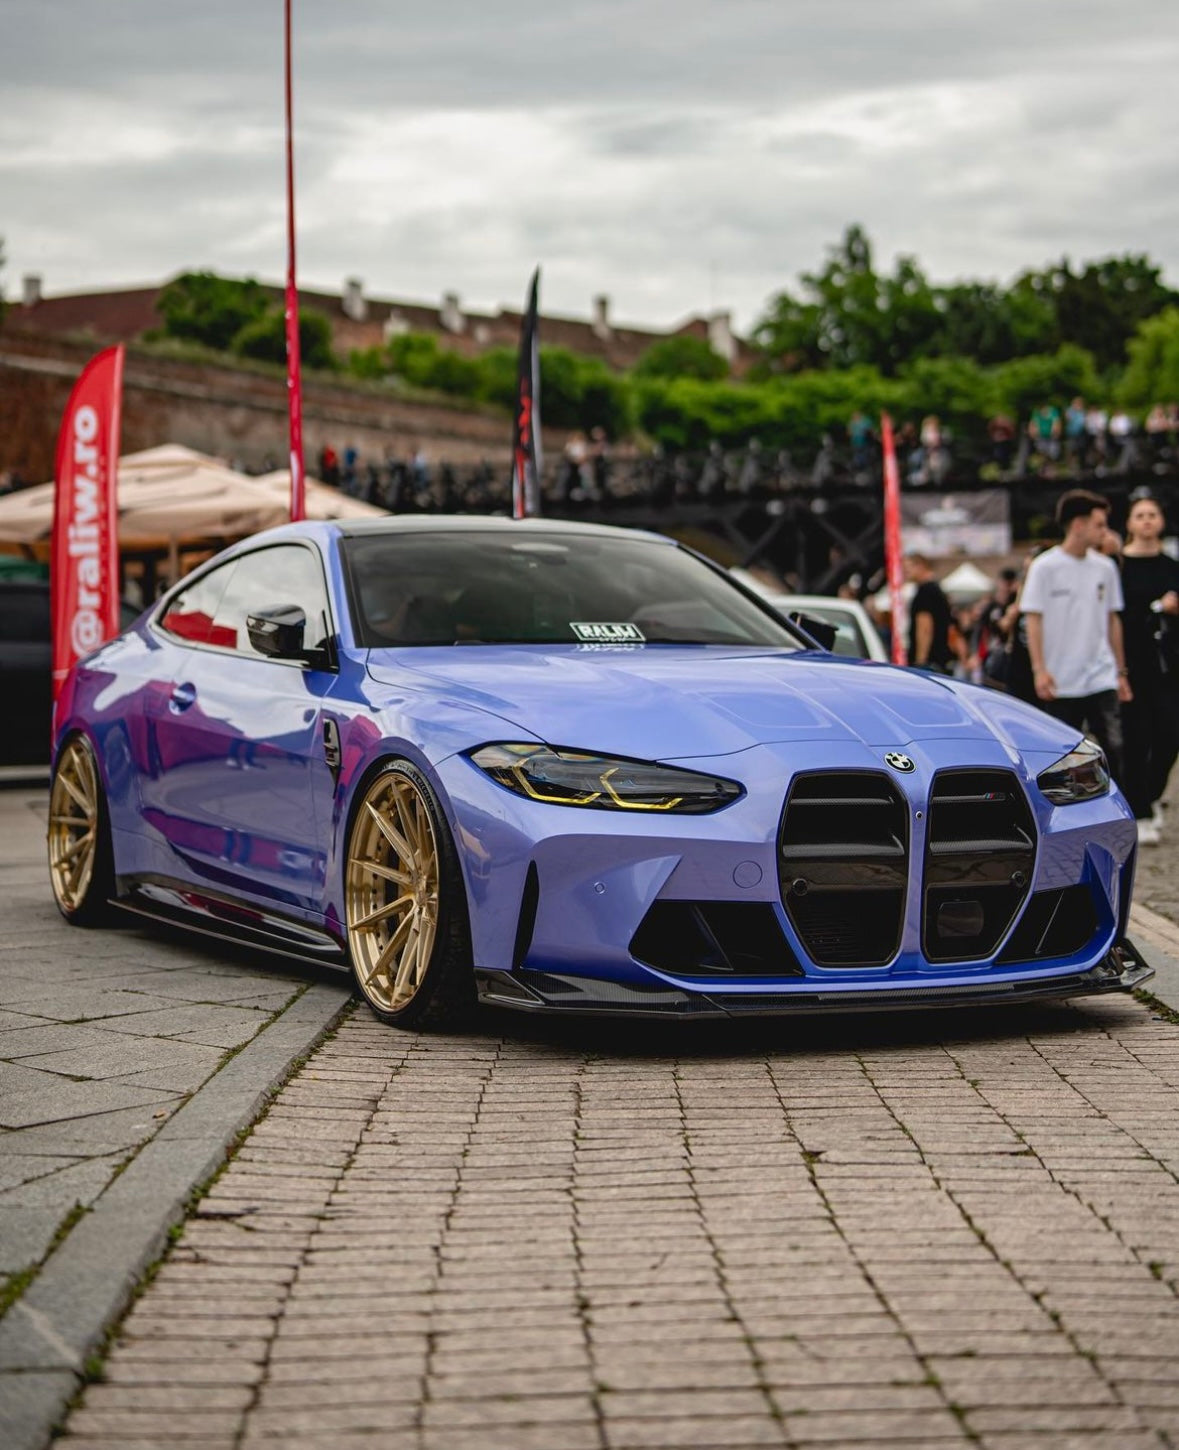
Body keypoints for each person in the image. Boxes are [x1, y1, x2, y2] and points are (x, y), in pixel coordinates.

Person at [1019, 489, 1131, 781]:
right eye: (1099, 524)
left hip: (1101, 674)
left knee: (1114, 748)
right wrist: (1039, 670)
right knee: (1061, 757)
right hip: (1061, 679)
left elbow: (1112, 619)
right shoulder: (1044, 567)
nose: (1104, 531)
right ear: (1078, 525)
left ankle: (1116, 816)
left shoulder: (1105, 568)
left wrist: (1120, 671)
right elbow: (1033, 619)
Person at [1119, 492, 1179, 846]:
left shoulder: (1171, 566)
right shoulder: (1118, 566)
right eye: (1139, 515)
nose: (1146, 521)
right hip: (1130, 661)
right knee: (1135, 737)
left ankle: (1152, 793)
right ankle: (1140, 810)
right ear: (1129, 523)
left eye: (1151, 514)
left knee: (1170, 733)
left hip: (1167, 663)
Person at [904, 554, 955, 673]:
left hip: (929, 662)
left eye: (908, 568)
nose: (905, 573)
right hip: (939, 658)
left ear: (920, 566)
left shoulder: (925, 591)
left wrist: (920, 660)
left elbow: (925, 628)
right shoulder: (936, 589)